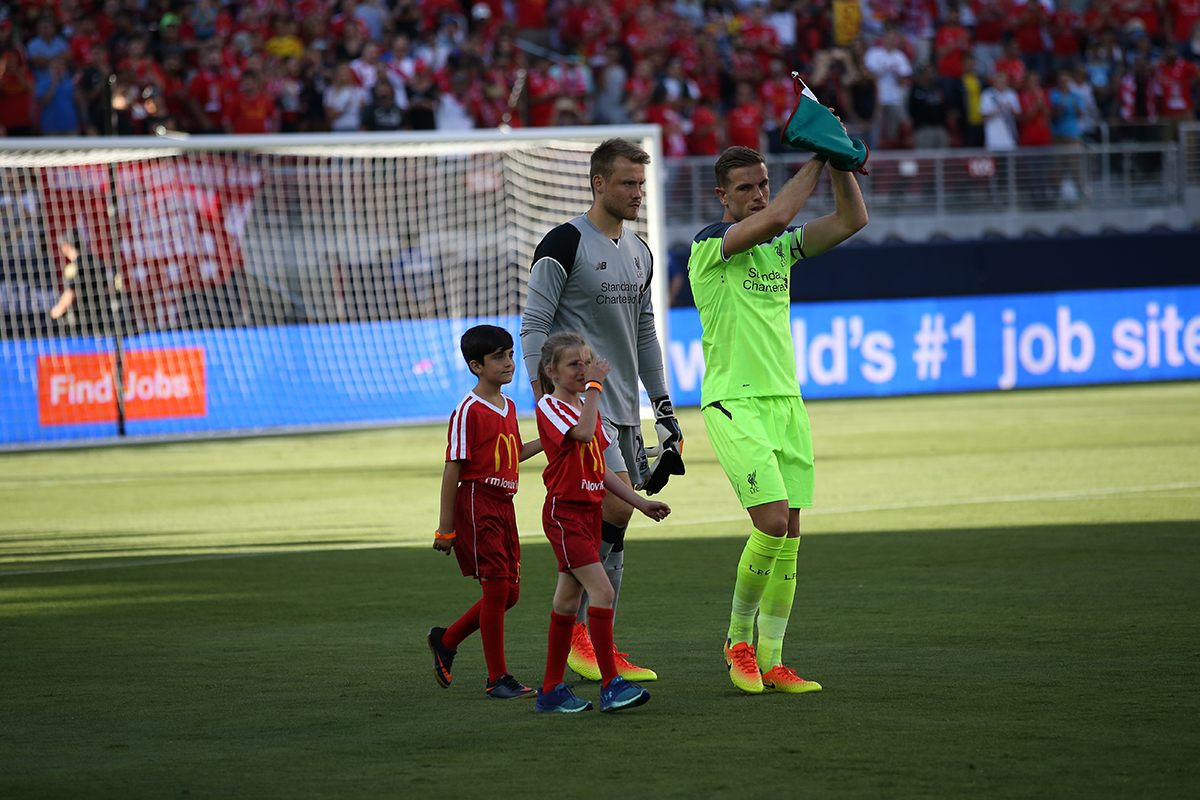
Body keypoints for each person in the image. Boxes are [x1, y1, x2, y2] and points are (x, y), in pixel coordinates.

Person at [687, 141, 867, 695]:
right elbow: (780, 215)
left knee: (790, 533)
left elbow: (852, 219)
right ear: (721, 195)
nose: (758, 195)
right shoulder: (709, 245)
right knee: (769, 522)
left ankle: (773, 658)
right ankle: (737, 640)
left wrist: (839, 162)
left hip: (786, 403)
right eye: (745, 188)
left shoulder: (779, 251)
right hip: (734, 403)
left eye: (762, 184)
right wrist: (819, 152)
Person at [520, 138, 684, 685]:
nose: (638, 193)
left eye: (641, 183)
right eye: (627, 183)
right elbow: (535, 327)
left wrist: (663, 409)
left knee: (614, 519)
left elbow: (644, 334)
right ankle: (588, 640)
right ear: (598, 184)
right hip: (581, 411)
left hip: (622, 409)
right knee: (613, 513)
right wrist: (547, 403)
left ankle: (589, 637)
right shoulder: (563, 243)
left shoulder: (640, 252)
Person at [532, 331, 670, 713]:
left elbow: (602, 469)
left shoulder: (586, 407)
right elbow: (581, 434)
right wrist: (594, 386)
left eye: (587, 361)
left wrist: (640, 503)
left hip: (589, 513)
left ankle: (551, 691)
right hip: (566, 514)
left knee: (567, 600)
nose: (583, 369)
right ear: (551, 371)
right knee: (603, 592)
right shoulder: (551, 406)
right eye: (574, 364)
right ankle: (611, 685)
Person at [427, 324, 543, 700]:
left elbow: (514, 453)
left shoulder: (508, 406)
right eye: (499, 357)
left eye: (510, 354)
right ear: (477, 366)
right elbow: (453, 469)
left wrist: (554, 438)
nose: (509, 362)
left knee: (509, 595)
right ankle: (498, 679)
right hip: (477, 504)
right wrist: (446, 528)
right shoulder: (467, 410)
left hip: (504, 507)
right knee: (496, 591)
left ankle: (446, 640)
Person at [50, 230, 120, 337]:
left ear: (66, 246)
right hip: (103, 318)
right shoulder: (97, 262)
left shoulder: (74, 267)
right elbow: (108, 288)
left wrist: (58, 310)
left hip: (82, 323)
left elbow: (70, 294)